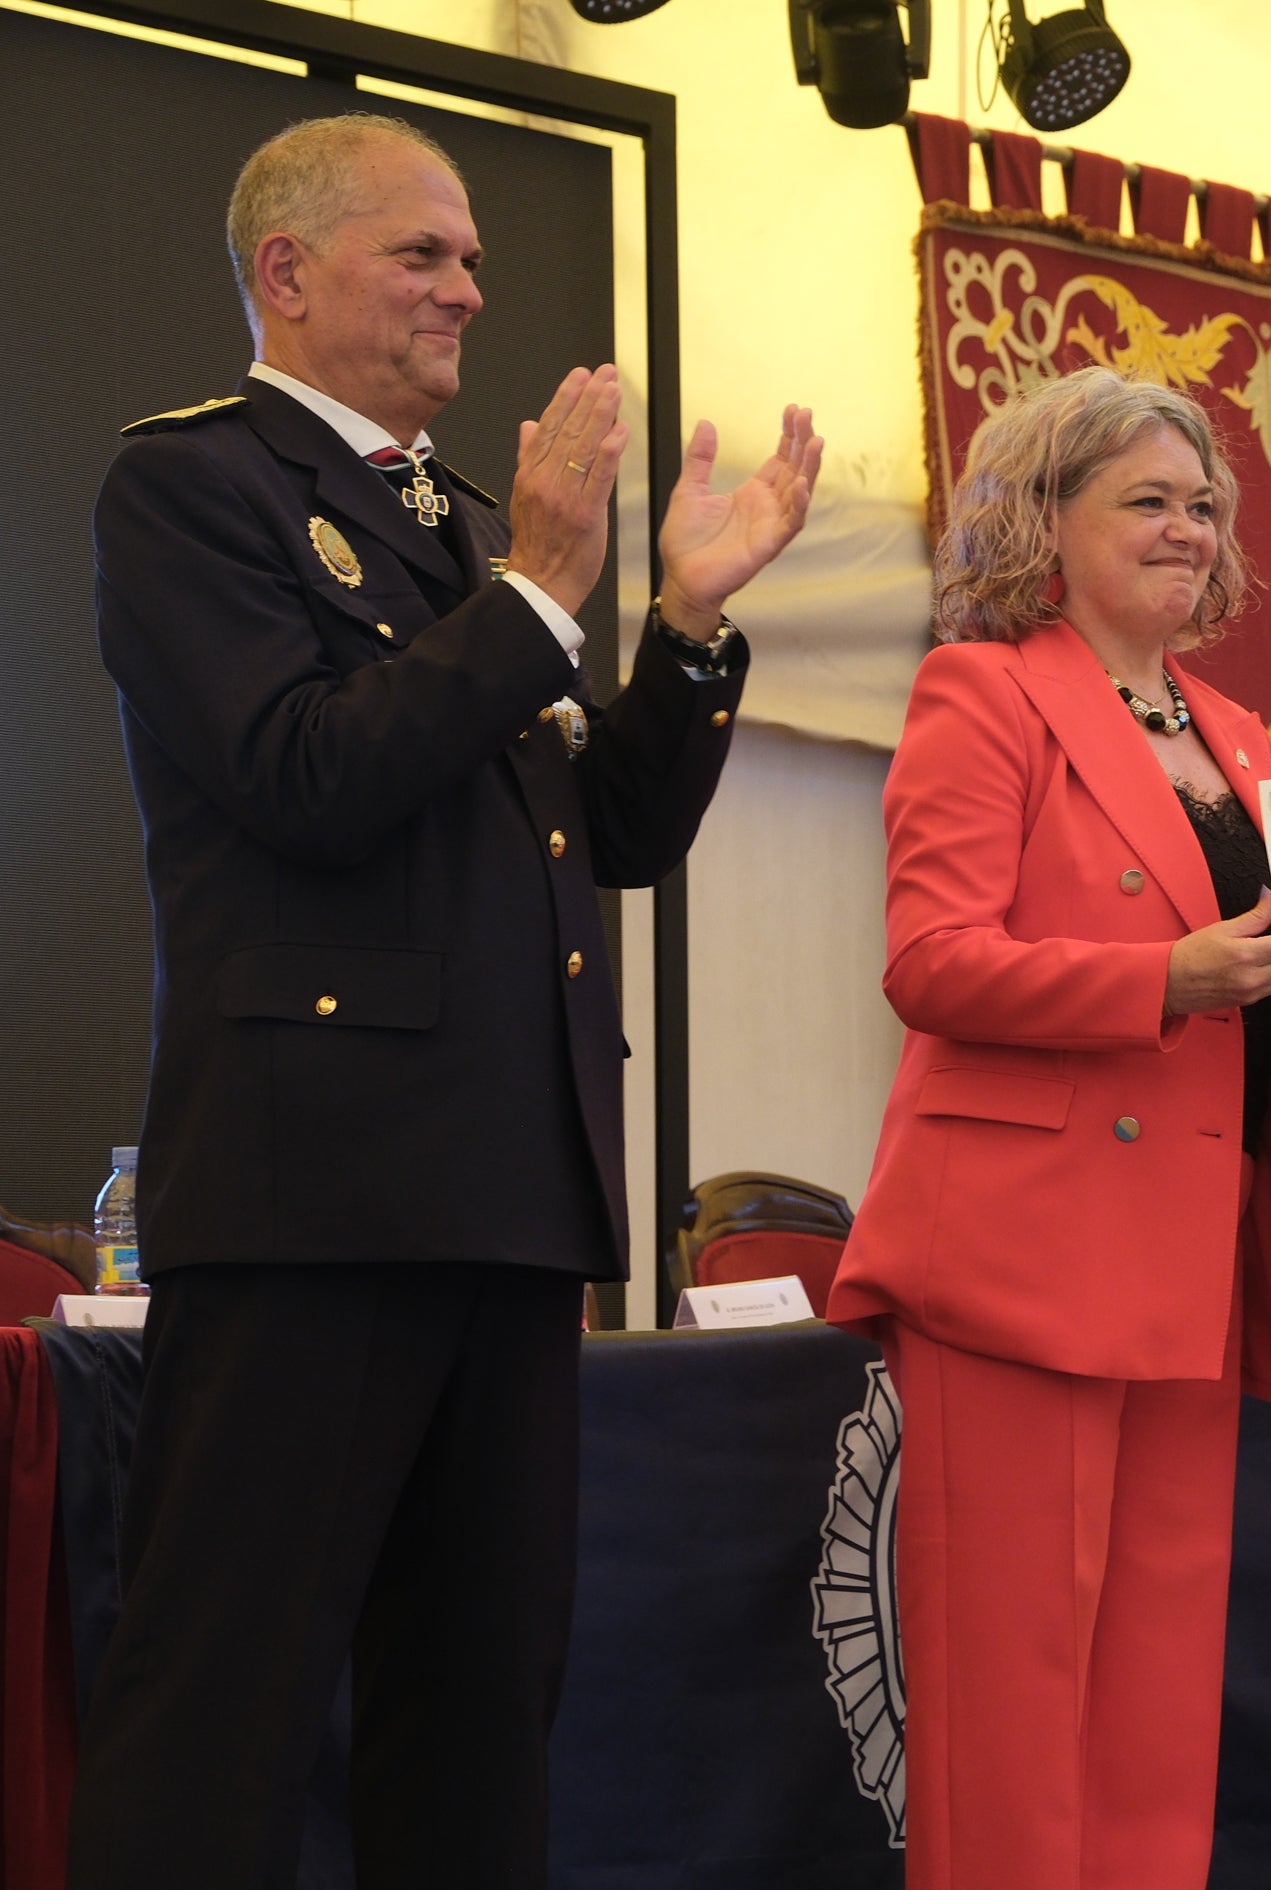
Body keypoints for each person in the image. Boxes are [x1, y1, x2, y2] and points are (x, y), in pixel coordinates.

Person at [69, 113, 819, 1890]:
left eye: (473, 257)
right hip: (315, 1196)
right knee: (225, 1708)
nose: (468, 289)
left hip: (505, 1194)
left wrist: (688, 627)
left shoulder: (472, 533)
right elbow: (304, 774)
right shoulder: (196, 487)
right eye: (425, 254)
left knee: (482, 1710)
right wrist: (540, 592)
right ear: (288, 272)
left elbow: (617, 832)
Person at [822, 366, 1271, 1890]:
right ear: (1042, 519)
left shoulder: (1235, 734)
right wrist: (1156, 977)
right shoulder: (980, 690)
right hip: (1019, 1263)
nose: (1188, 529)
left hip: (1191, 1263)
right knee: (1012, 1697)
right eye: (1148, 501)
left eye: (1203, 505)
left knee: (1155, 1698)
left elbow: (1267, 990)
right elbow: (930, 961)